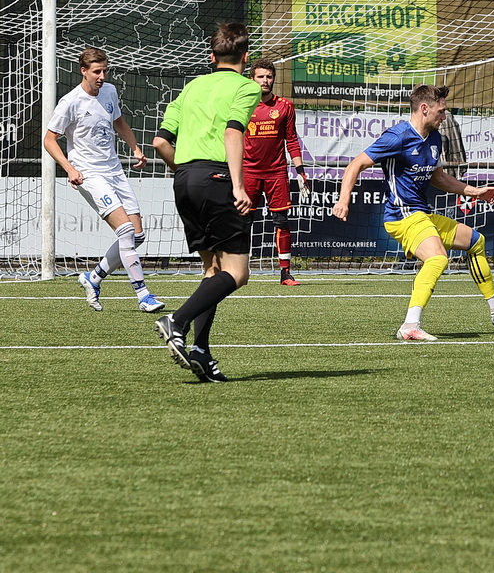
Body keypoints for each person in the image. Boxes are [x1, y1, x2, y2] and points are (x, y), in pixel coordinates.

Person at [332, 84, 494, 341]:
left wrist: (476, 192)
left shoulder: (434, 138)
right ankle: (410, 325)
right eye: (441, 111)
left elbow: (438, 178)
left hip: (421, 214)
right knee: (438, 259)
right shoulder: (397, 137)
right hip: (402, 216)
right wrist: (343, 201)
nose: (444, 115)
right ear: (424, 109)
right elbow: (355, 165)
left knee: (476, 241)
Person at [150, 23, 262, 383]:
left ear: (212, 57)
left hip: (184, 179)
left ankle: (201, 350)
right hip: (217, 179)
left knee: (212, 270)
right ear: (246, 57)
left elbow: (160, 142)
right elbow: (232, 132)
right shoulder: (246, 87)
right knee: (238, 273)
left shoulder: (192, 87)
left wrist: (188, 173)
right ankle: (177, 321)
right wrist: (238, 186)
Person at [43, 48, 166, 313]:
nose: (102, 76)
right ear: (83, 71)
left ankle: (94, 277)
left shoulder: (109, 91)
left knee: (137, 235)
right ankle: (143, 295)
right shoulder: (70, 102)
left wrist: (135, 148)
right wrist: (69, 168)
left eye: (104, 71)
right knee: (125, 231)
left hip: (114, 171)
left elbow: (119, 122)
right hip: (88, 173)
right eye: (96, 72)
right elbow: (49, 140)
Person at [245, 58, 310, 285]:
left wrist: (300, 171)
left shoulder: (285, 106)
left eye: (269, 76)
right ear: (252, 79)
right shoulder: (242, 105)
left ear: (274, 79)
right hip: (248, 171)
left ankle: (285, 272)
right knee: (243, 221)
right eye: (260, 76)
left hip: (276, 172)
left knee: (281, 220)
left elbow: (291, 140)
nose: (265, 80)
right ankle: (236, 270)